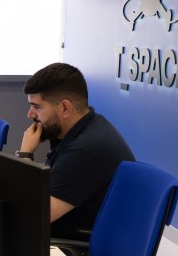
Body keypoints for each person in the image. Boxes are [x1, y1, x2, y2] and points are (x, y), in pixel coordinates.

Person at [17, 62, 135, 240]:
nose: (30, 114)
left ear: (65, 108)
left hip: (74, 247)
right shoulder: (85, 126)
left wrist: (25, 155)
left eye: (37, 107)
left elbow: (34, 215)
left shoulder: (86, 150)